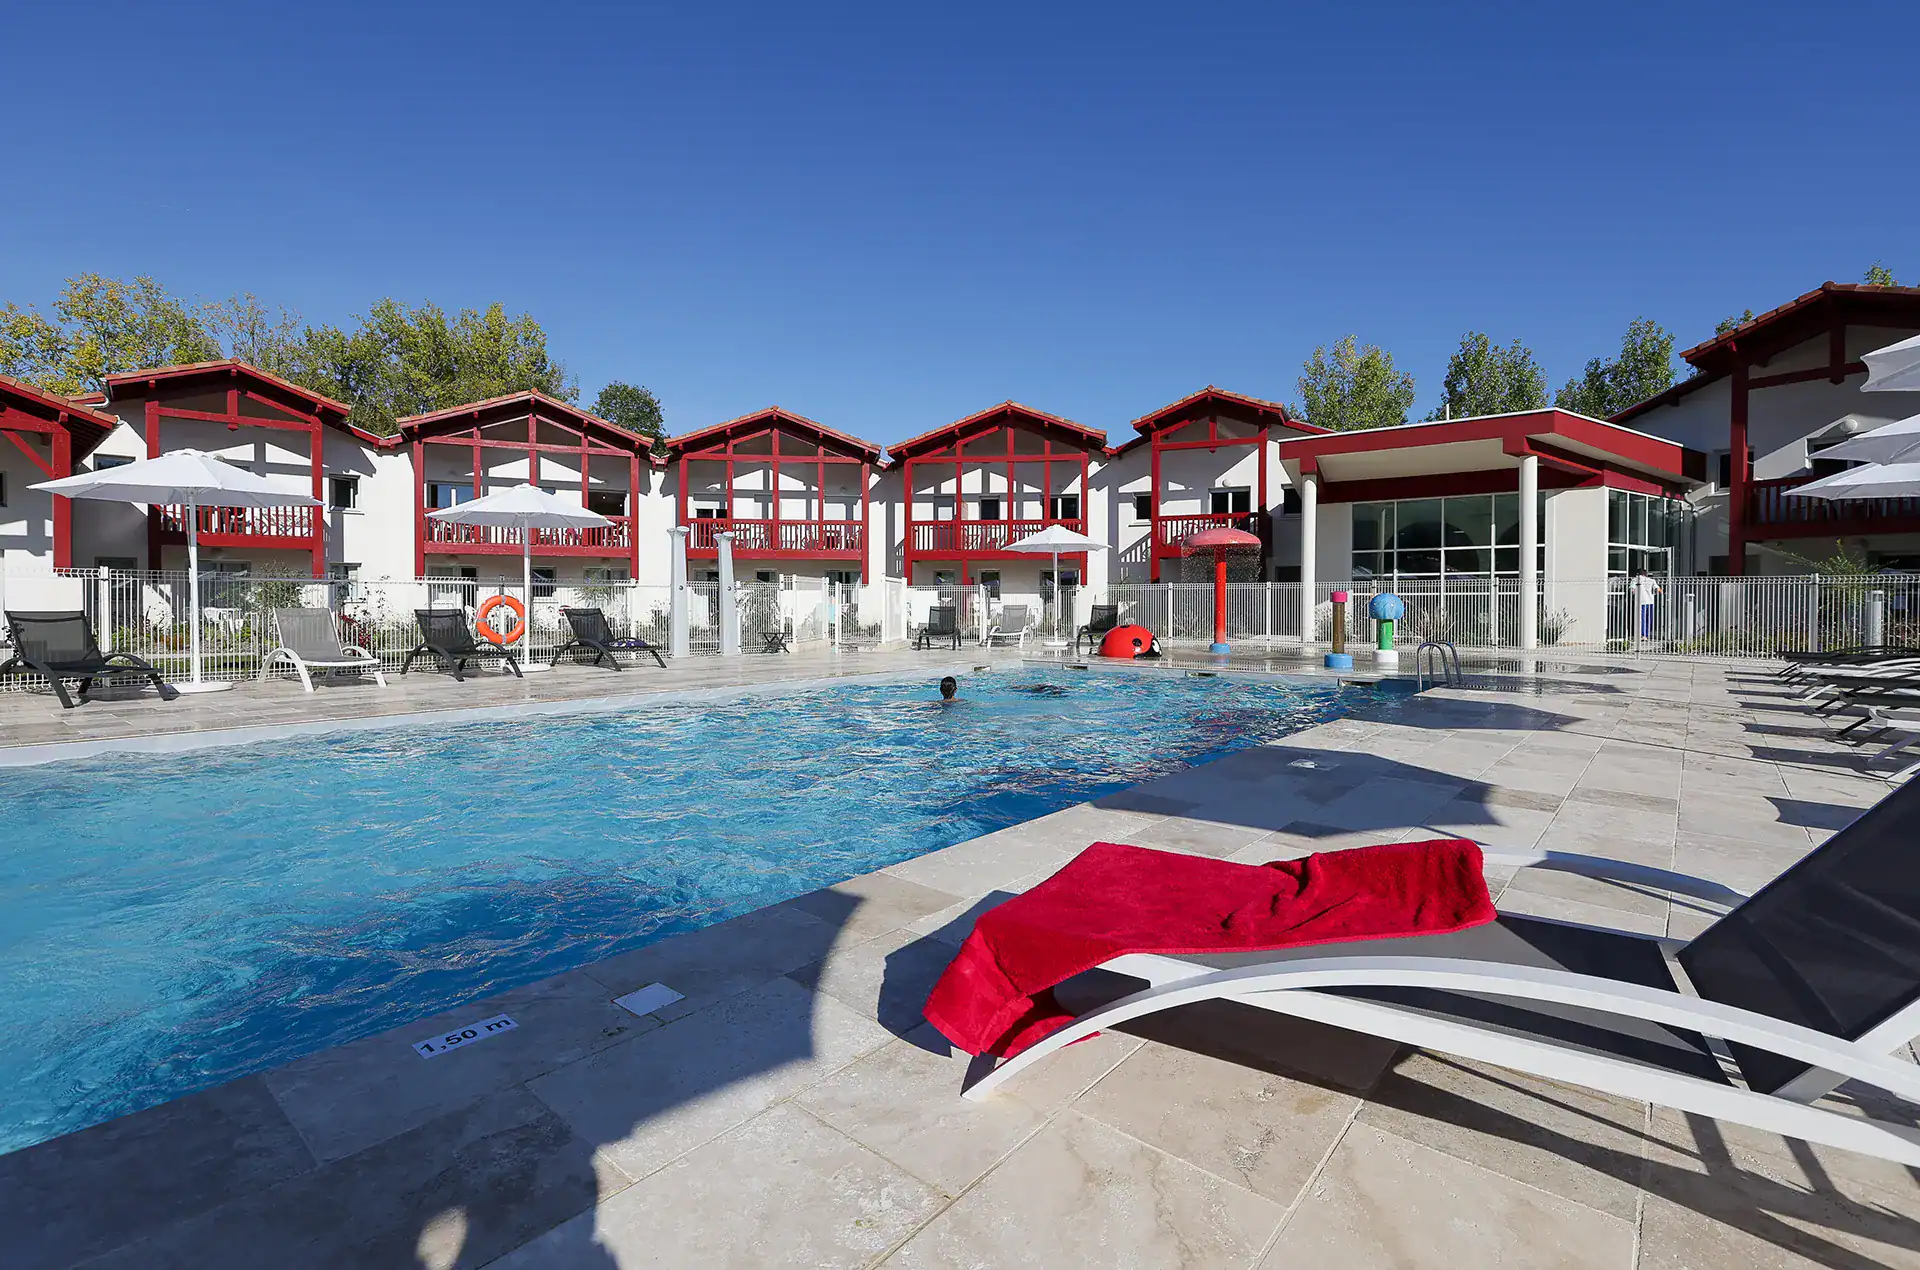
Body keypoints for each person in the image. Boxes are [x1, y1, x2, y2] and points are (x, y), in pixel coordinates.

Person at [1630, 568, 1663, 638]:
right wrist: (1661, 591)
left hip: (1641, 601)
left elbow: (1632, 590)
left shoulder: (1634, 580)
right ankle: (1646, 634)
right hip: (1650, 601)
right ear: (1645, 574)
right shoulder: (1651, 580)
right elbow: (1658, 589)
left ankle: (1643, 634)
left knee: (1642, 618)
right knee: (1648, 619)